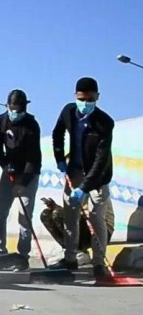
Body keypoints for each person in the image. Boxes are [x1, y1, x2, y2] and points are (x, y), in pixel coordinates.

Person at [49, 77, 114, 278]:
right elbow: (57, 134)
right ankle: (70, 259)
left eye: (90, 99)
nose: (85, 103)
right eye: (81, 98)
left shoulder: (104, 122)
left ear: (97, 97)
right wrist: (60, 158)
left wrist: (84, 187)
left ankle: (98, 264)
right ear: (75, 96)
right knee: (70, 217)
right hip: (74, 171)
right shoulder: (68, 112)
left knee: (96, 218)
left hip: (98, 177)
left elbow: (101, 160)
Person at [0, 89, 41, 271]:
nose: (16, 113)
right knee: (0, 214)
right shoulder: (1, 121)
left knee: (25, 216)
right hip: (9, 170)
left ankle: (22, 256)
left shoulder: (31, 125)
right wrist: (7, 167)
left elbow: (33, 158)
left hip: (29, 173)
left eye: (20, 110)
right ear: (7, 106)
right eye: (13, 109)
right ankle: (0, 252)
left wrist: (22, 183)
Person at [40, 196, 114, 265]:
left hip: (100, 231)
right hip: (84, 224)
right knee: (46, 214)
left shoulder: (92, 188)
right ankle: (69, 250)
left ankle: (78, 253)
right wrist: (54, 206)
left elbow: (92, 214)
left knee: (57, 213)